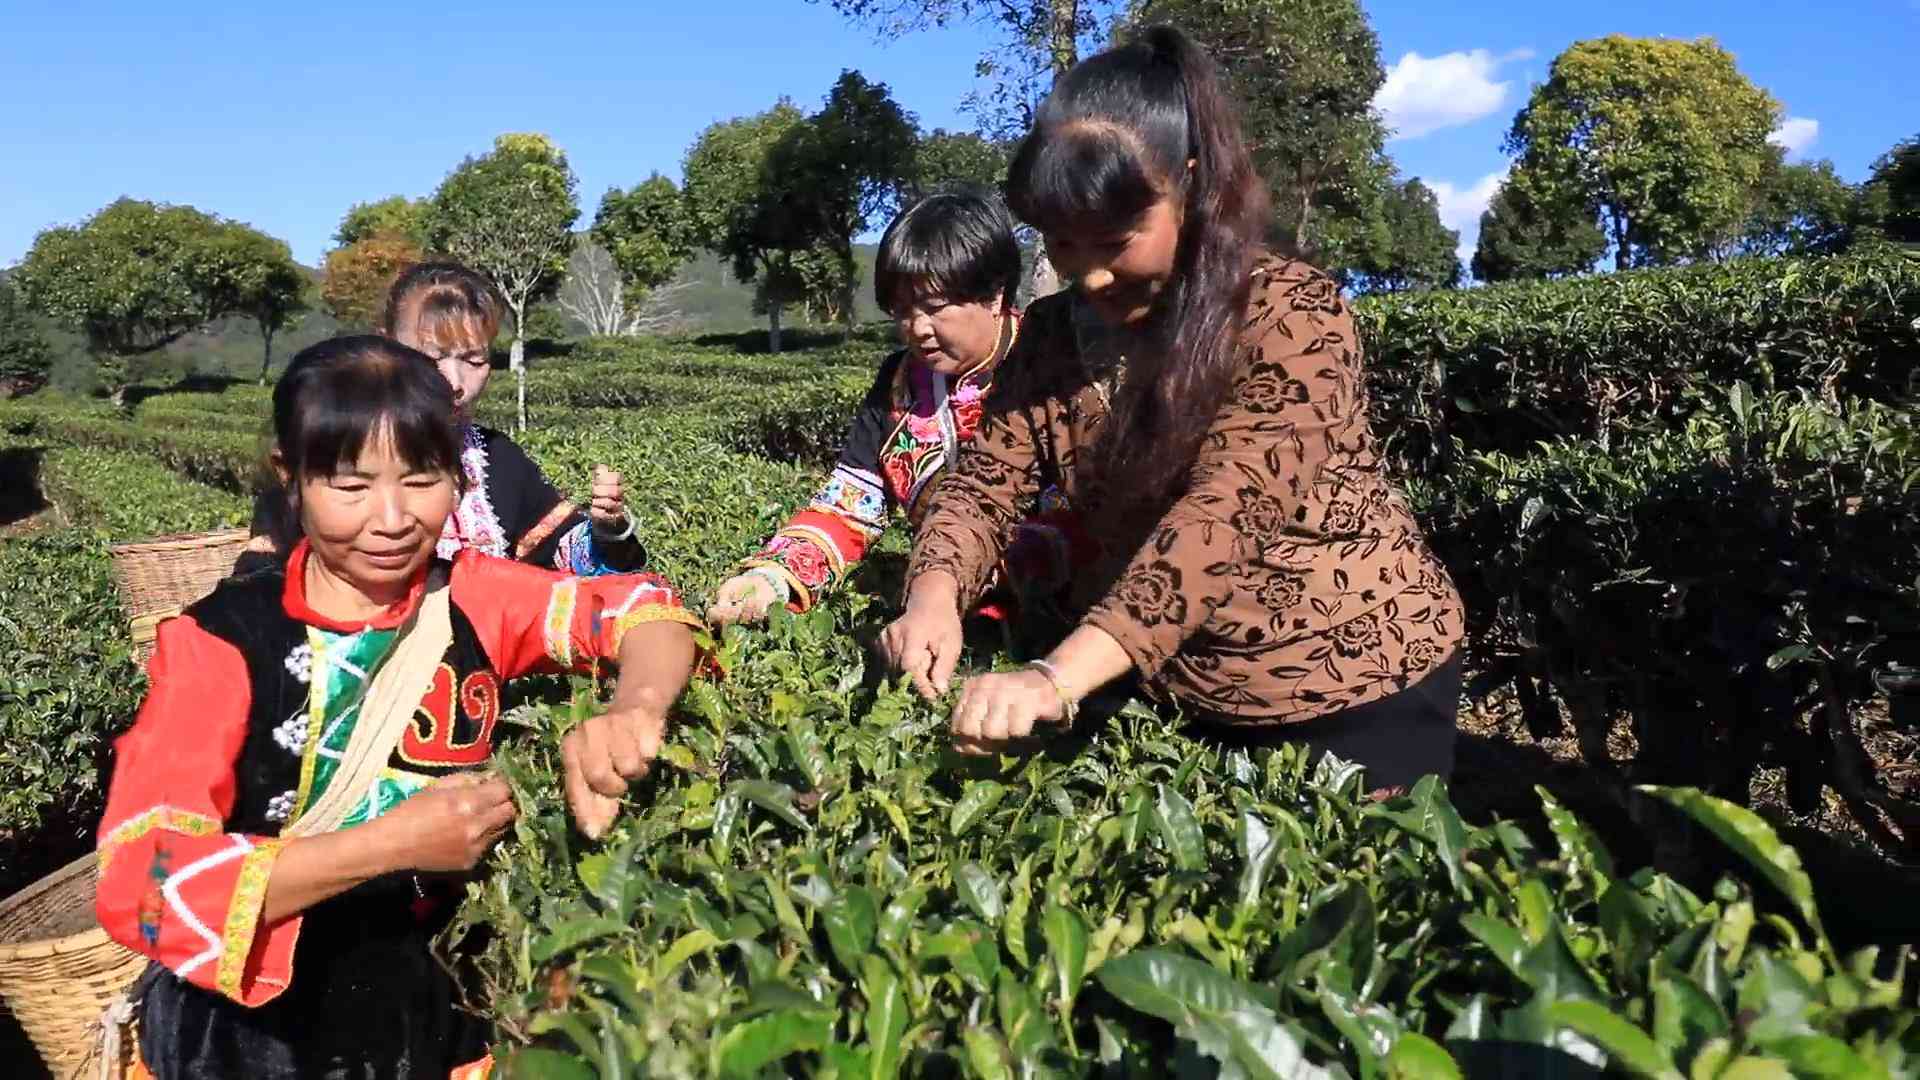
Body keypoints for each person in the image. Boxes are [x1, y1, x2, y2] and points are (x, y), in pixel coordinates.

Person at [877, 27, 1466, 796]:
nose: (1087, 276)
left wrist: (1057, 677)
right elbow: (986, 482)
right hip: (1163, 684)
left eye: (1116, 240)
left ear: (1189, 184)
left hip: (1349, 682)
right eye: (1060, 243)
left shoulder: (1291, 313)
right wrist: (932, 597)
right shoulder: (1054, 337)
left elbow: (1222, 520)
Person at [97, 336, 702, 1078]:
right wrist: (390, 844)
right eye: (350, 487)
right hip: (259, 1032)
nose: (391, 518)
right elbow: (143, 887)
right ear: (291, 478)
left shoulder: (472, 594)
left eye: (422, 480)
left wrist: (635, 707)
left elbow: (644, 607)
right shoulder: (217, 643)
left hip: (448, 1006)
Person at [707, 190, 1090, 626]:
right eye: (903, 311)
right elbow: (851, 504)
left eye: (935, 307)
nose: (918, 329)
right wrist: (771, 580)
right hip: (936, 606)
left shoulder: (1057, 368)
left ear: (996, 294)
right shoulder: (898, 385)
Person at [237, 262, 643, 577]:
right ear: (386, 346)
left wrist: (608, 533)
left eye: (475, 360)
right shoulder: (329, 449)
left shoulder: (497, 458)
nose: (453, 383)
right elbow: (261, 586)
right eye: (431, 358)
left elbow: (562, 554)